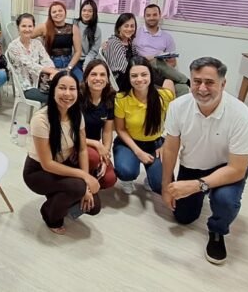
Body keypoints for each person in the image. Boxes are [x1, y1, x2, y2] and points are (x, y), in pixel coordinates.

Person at [161, 57, 248, 265]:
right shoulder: (178, 106)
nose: (202, 88)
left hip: (228, 166)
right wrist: (165, 184)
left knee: (225, 201)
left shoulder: (241, 115)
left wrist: (197, 185)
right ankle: (203, 192)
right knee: (183, 217)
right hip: (194, 163)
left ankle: (217, 231)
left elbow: (238, 169)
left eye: (210, 82)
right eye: (196, 81)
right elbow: (170, 148)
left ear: (223, 84)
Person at [23, 71, 101, 234]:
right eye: (62, 88)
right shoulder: (41, 119)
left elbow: (82, 149)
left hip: (62, 164)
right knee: (78, 187)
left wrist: (86, 185)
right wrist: (84, 177)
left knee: (94, 206)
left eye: (72, 89)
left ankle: (58, 197)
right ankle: (49, 215)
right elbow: (47, 163)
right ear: (53, 91)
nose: (67, 93)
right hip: (38, 171)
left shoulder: (76, 114)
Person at [113, 56, 175, 194]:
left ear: (151, 75)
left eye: (144, 74)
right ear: (128, 78)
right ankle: (127, 179)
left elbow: (175, 125)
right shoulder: (121, 98)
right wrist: (138, 152)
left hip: (156, 143)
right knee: (126, 171)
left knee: (160, 185)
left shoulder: (164, 96)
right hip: (129, 142)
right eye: (134, 75)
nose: (139, 79)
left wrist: (165, 145)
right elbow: (120, 129)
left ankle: (151, 177)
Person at [135, 4, 190, 97]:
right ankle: (187, 80)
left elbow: (173, 62)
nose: (151, 18)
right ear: (144, 17)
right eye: (148, 15)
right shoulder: (136, 33)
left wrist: (165, 64)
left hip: (161, 72)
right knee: (155, 60)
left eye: (154, 15)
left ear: (159, 16)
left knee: (183, 88)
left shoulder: (167, 37)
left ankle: (173, 111)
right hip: (143, 68)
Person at [79, 60, 117, 190]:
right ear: (86, 77)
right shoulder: (77, 96)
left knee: (109, 179)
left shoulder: (110, 98)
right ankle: (81, 182)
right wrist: (96, 144)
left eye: (102, 75)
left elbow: (107, 131)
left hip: (95, 147)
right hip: (75, 143)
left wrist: (105, 153)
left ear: (107, 78)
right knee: (94, 157)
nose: (98, 78)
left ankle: (90, 175)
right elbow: (69, 133)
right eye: (93, 74)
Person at [6, 13, 57, 103]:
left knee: (62, 93)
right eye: (24, 26)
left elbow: (46, 59)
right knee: (55, 99)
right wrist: (51, 71)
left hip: (41, 83)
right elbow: (29, 65)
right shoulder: (13, 46)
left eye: (30, 26)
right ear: (18, 27)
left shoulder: (37, 43)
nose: (27, 29)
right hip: (25, 88)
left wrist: (52, 70)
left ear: (34, 27)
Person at [34, 2, 82, 81]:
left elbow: (78, 51)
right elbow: (28, 35)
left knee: (81, 82)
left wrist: (69, 68)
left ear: (65, 12)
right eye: (54, 12)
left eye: (60, 10)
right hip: (51, 64)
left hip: (70, 63)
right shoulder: (44, 27)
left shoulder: (73, 28)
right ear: (50, 15)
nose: (57, 13)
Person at [103, 12, 138, 87]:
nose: (129, 29)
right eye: (126, 26)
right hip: (118, 80)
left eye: (132, 26)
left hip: (130, 76)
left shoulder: (130, 42)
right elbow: (123, 68)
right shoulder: (114, 42)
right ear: (119, 27)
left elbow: (137, 60)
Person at [75, 0, 101, 68]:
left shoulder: (97, 30)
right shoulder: (74, 25)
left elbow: (93, 52)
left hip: (88, 61)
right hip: (73, 60)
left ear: (94, 13)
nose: (86, 13)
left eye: (90, 11)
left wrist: (85, 65)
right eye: (84, 10)